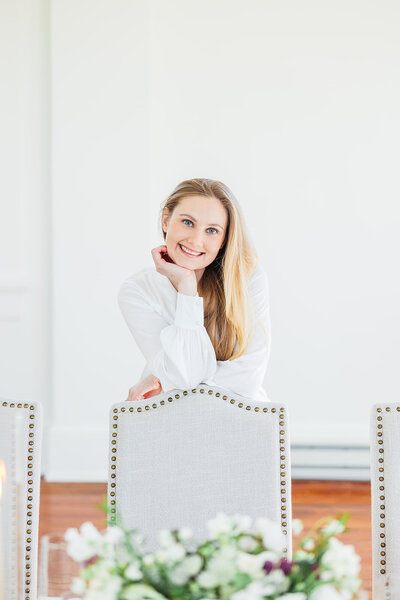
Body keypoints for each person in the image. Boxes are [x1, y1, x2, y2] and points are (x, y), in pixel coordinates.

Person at [118, 178, 271, 403]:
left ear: (223, 241)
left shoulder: (248, 279)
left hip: (244, 418)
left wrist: (166, 381)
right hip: (171, 417)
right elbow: (187, 374)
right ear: (166, 221)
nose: (196, 240)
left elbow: (248, 380)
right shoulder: (137, 291)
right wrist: (186, 288)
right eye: (187, 222)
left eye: (212, 230)